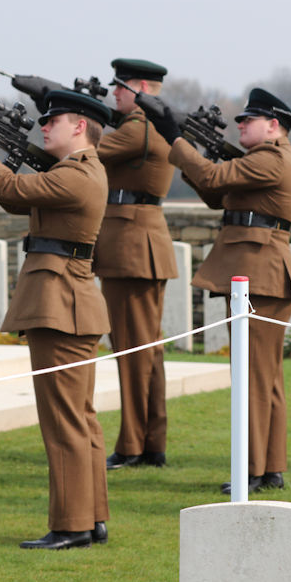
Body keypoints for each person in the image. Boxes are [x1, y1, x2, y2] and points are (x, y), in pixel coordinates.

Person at [0, 90, 111, 550]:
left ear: (79, 126)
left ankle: (71, 525)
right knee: (79, 418)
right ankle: (90, 518)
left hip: (61, 305)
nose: (44, 126)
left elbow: (12, 191)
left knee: (64, 421)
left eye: (54, 121)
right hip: (63, 302)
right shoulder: (75, 172)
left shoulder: (80, 174)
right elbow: (19, 195)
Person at [139, 87, 291, 494]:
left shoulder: (272, 157)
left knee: (252, 376)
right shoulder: (258, 160)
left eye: (249, 119)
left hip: (261, 273)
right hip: (260, 271)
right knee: (266, 376)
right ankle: (269, 466)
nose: (240, 124)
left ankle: (251, 469)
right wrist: (190, 148)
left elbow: (212, 176)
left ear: (274, 125)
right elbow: (215, 194)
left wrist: (176, 139)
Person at [97, 58, 177, 470]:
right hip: (137, 244)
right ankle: (149, 440)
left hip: (132, 246)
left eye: (120, 87)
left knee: (133, 349)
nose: (115, 95)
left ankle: (133, 444)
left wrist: (80, 116)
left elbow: (84, 151)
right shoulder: (146, 125)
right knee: (145, 350)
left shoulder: (139, 127)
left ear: (142, 87)